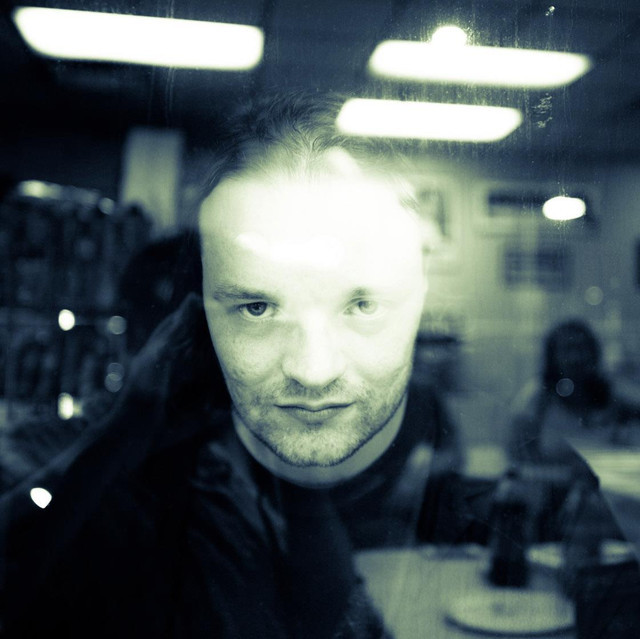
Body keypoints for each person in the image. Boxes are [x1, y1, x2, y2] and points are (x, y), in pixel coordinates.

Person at [0, 94, 633, 638]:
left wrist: (289, 459)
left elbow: (324, 613)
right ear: (134, 335)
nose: (202, 361)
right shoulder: (45, 449)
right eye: (246, 310)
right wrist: (124, 431)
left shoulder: (228, 468)